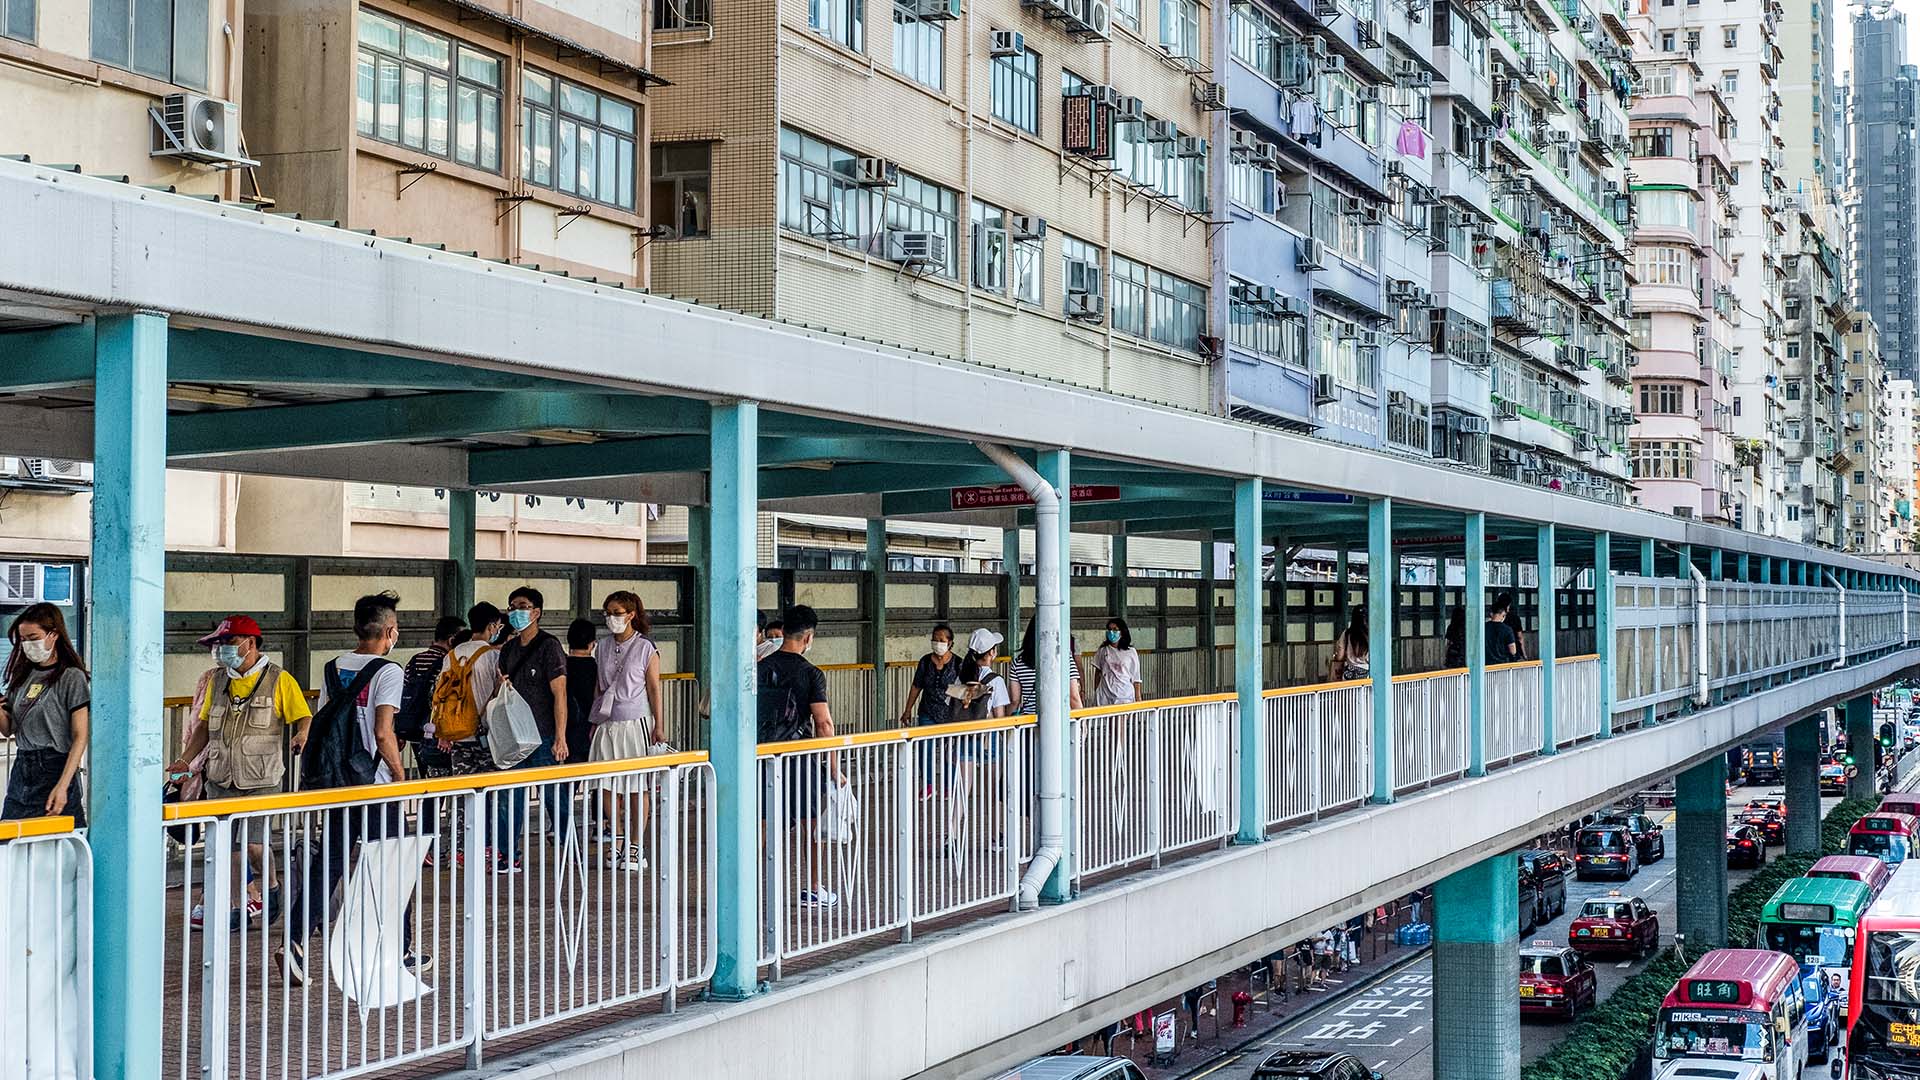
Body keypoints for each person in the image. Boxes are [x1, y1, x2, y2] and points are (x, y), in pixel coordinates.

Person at [283, 592, 425, 984]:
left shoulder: (334, 668)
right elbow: (383, 732)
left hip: (340, 783)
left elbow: (325, 720)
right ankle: (400, 949)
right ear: (390, 631)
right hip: (375, 786)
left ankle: (294, 941)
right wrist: (400, 775)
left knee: (328, 864)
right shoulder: (389, 672)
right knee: (395, 866)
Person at [168, 614, 312, 929]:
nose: (222, 650)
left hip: (261, 777)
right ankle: (236, 908)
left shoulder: (279, 679)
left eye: (229, 643)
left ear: (250, 643)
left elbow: (303, 715)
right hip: (221, 778)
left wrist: (301, 734)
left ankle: (272, 887)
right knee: (229, 847)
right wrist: (186, 760)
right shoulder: (217, 681)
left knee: (255, 846)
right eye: (219, 644)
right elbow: (204, 726)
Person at [757, 604, 841, 908]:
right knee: (811, 824)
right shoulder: (811, 673)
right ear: (809, 637)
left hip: (762, 756)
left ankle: (749, 890)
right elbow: (823, 722)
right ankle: (814, 887)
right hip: (799, 759)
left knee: (763, 824)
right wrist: (833, 767)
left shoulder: (760, 667)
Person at [496, 586, 571, 871]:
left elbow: (559, 694)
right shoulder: (508, 649)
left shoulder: (549, 647)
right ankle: (508, 854)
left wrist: (560, 737)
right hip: (515, 738)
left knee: (554, 794)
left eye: (523, 606)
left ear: (536, 612)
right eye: (512, 606)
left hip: (545, 735)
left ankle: (567, 847)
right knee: (509, 796)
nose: (516, 611)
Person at [590, 592, 666, 872]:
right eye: (608, 612)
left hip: (636, 722)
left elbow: (654, 688)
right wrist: (595, 721)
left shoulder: (646, 648)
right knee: (608, 785)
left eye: (617, 612)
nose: (612, 618)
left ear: (632, 614)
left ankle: (636, 843)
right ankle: (617, 836)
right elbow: (598, 685)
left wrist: (659, 725)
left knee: (637, 786)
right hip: (607, 721)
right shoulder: (602, 647)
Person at [0, 604, 89, 826]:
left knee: (60, 843)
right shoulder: (22, 676)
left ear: (54, 634)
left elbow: (80, 735)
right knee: (11, 842)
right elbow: (8, 729)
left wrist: (63, 785)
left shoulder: (71, 677)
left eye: (33, 637)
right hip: (23, 767)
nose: (27, 645)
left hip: (55, 764)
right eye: (23, 639)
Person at [401, 615, 466, 779]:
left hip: (415, 728)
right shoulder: (447, 662)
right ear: (452, 641)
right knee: (445, 780)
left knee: (427, 779)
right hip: (437, 731)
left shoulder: (415, 661)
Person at [898, 624, 962, 727]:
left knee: (946, 743)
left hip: (950, 716)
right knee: (927, 742)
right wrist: (908, 710)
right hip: (927, 713)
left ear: (949, 643)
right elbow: (916, 686)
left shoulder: (958, 663)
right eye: (935, 640)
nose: (937, 644)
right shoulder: (925, 661)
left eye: (941, 640)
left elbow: (962, 690)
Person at [1010, 630, 1084, 713]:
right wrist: (1082, 723)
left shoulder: (1017, 662)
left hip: (1029, 720)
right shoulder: (1064, 658)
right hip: (1058, 719)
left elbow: (1015, 701)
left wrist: (1008, 723)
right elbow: (1073, 697)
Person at [1090, 617, 1143, 707]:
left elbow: (1136, 677)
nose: (1111, 632)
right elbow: (1098, 672)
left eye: (1115, 630)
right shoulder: (1103, 650)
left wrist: (1138, 698)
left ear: (1122, 632)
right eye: (1110, 629)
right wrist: (1097, 690)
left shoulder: (1131, 652)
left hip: (1124, 696)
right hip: (1104, 695)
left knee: (1119, 721)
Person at [1328, 607, 1370, 681]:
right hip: (1367, 675)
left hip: (1349, 674)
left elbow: (1340, 656)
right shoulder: (1371, 635)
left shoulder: (1347, 634)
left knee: (1349, 693)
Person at [1486, 593, 1522, 665]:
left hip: (1487, 665)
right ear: (1503, 615)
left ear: (1491, 614)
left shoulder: (1484, 627)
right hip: (1503, 665)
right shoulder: (1507, 629)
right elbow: (1513, 651)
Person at [1442, 604, 1466, 669]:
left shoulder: (1451, 627)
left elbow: (1448, 643)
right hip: (1464, 653)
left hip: (1453, 654)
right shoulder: (1466, 627)